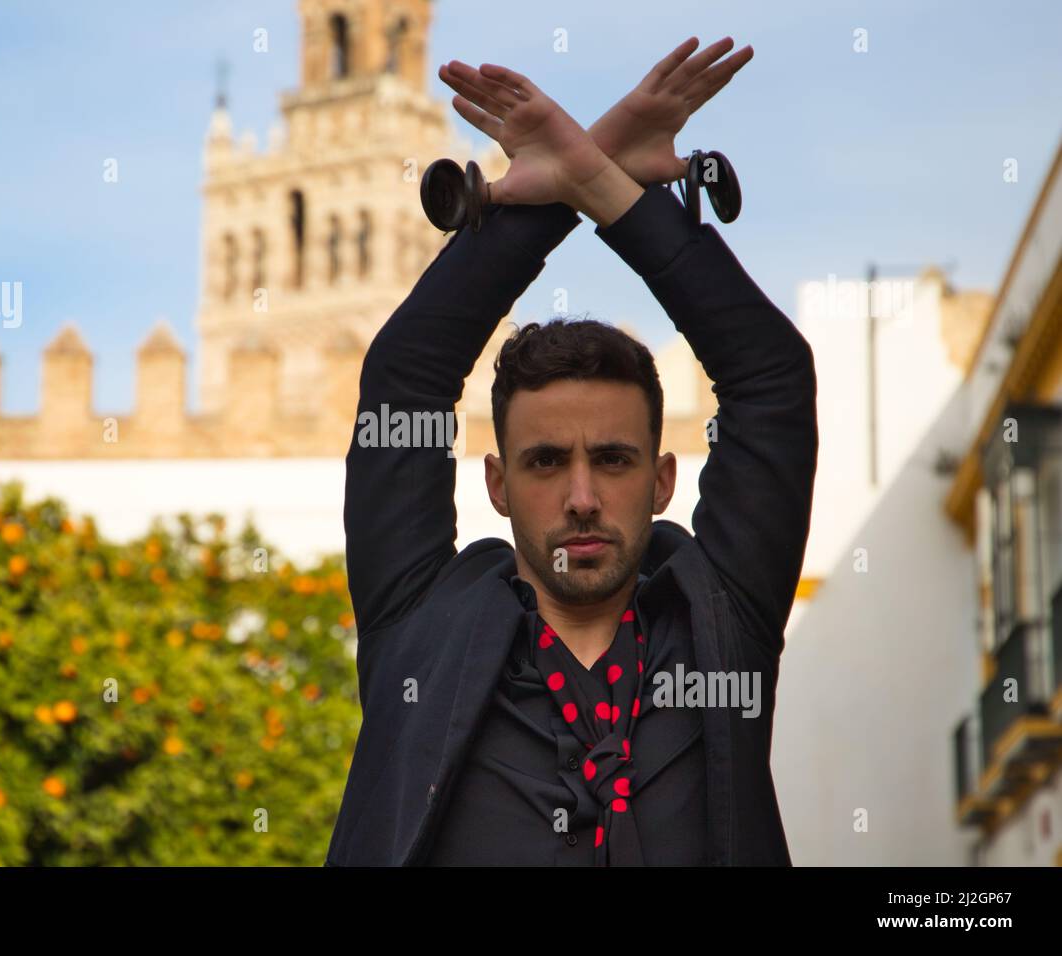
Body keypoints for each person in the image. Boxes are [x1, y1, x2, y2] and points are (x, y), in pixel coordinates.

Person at [326, 38, 817, 866]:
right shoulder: (421, 625)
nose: (582, 496)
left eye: (615, 460)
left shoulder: (722, 617)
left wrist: (594, 182)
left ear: (664, 480)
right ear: (497, 484)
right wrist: (586, 179)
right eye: (546, 462)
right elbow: (405, 380)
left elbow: (771, 381)